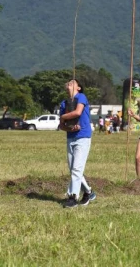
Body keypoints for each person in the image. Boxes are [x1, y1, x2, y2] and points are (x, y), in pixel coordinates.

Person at [59, 79, 96, 208]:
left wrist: (64, 117)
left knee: (76, 169)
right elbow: (61, 126)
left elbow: (78, 112)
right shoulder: (64, 103)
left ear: (78, 87)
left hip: (83, 137)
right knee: (74, 170)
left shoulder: (81, 97)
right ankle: (88, 191)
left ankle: (72, 197)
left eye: (72, 82)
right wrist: (69, 128)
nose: (69, 83)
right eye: (68, 82)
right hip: (71, 138)